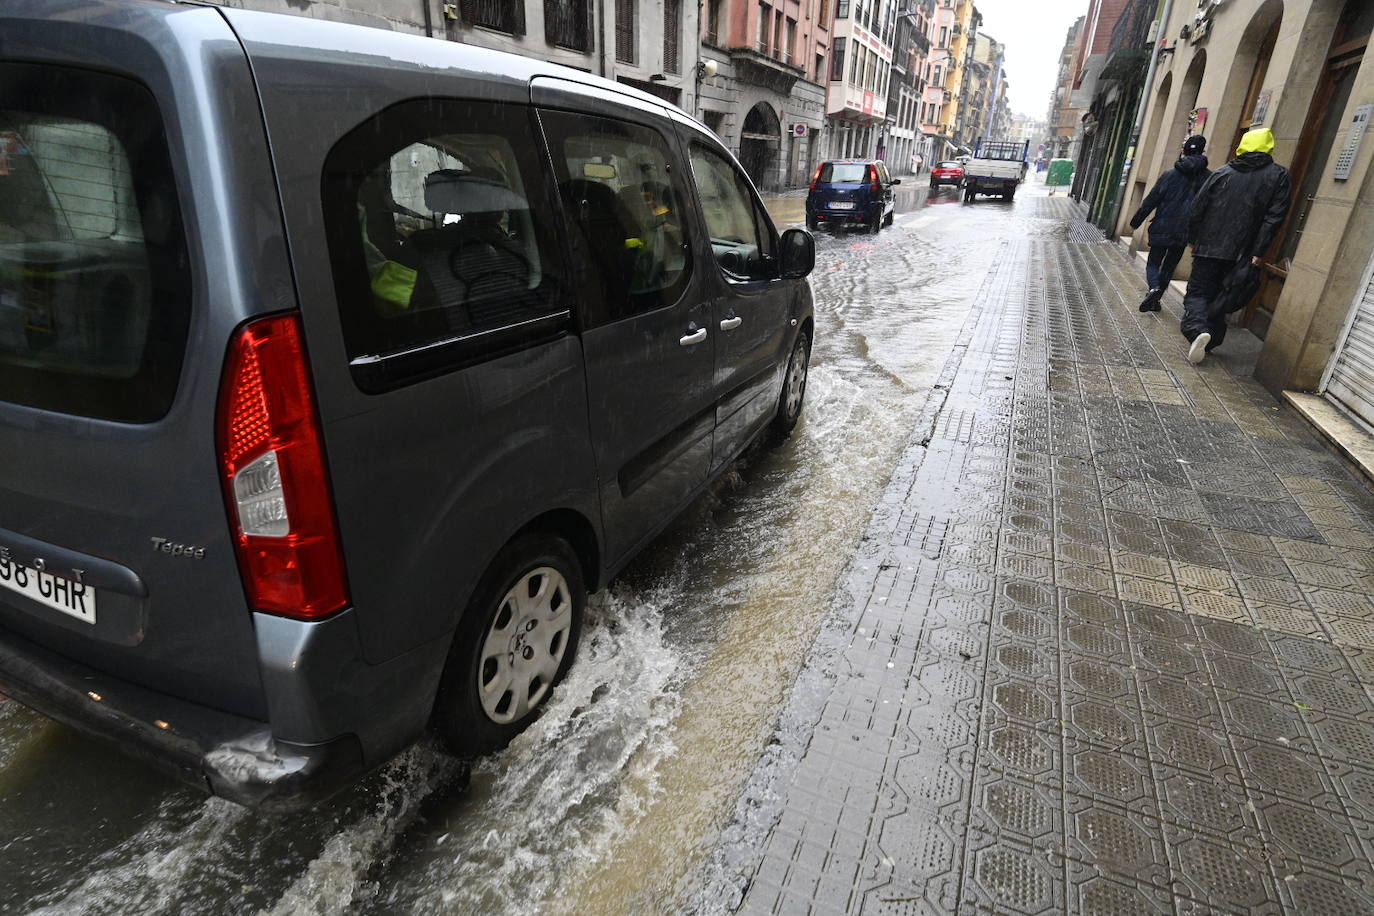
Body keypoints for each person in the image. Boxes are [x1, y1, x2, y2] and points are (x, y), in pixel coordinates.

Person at [1180, 127, 1290, 364]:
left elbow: (1197, 209)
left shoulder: (1222, 172)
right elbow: (1274, 217)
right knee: (1225, 293)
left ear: (1243, 146)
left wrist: (1193, 238)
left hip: (1208, 245)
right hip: (1243, 250)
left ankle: (1198, 330)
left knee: (1198, 292)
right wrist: (1258, 251)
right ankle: (1211, 340)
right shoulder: (1279, 176)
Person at [1128, 134, 1210, 313]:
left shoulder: (1170, 174)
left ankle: (1154, 289)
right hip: (1184, 231)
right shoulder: (1209, 178)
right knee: (1169, 266)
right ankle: (1156, 299)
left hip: (1163, 226)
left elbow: (1152, 199)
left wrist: (1136, 221)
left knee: (1153, 263)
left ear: (1184, 151)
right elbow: (1208, 208)